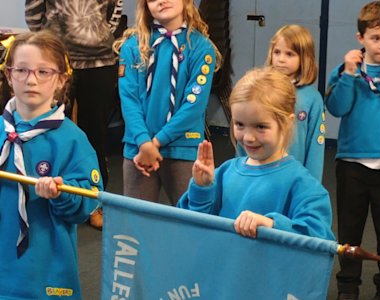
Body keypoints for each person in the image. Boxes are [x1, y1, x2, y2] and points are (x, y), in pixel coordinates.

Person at [0, 31, 102, 299]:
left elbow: (88, 203)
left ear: (61, 80)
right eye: (21, 70)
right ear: (9, 76)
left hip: (44, 269)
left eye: (43, 72)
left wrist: (62, 192)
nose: (31, 79)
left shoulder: (73, 140)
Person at [177, 67, 334, 241]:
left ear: (287, 123)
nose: (249, 137)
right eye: (239, 125)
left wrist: (271, 224)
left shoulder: (302, 184)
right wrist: (202, 188)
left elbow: (319, 239)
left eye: (260, 126)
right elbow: (191, 228)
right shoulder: (224, 173)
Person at [24, 0, 124, 229]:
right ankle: (51, 195)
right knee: (49, 133)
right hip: (57, 60)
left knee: (95, 134)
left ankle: (95, 201)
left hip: (99, 61)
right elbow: (33, 12)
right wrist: (51, 42)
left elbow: (115, 8)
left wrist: (97, 35)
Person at [325, 2, 380, 299]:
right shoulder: (347, 70)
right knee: (351, 230)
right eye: (375, 37)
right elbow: (337, 107)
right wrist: (350, 74)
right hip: (352, 164)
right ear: (361, 38)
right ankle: (347, 286)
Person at [114, 0, 221, 205]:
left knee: (190, 220)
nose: (162, 1)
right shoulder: (132, 46)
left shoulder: (201, 47)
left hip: (183, 146)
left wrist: (157, 142)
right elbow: (129, 100)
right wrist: (144, 143)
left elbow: (193, 105)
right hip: (139, 149)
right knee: (137, 225)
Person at [237, 25, 325, 181]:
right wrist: (241, 171)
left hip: (294, 178)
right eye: (277, 52)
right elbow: (245, 135)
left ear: (304, 58)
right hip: (257, 173)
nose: (281, 59)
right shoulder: (260, 90)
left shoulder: (312, 98)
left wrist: (311, 184)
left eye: (289, 54)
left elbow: (315, 149)